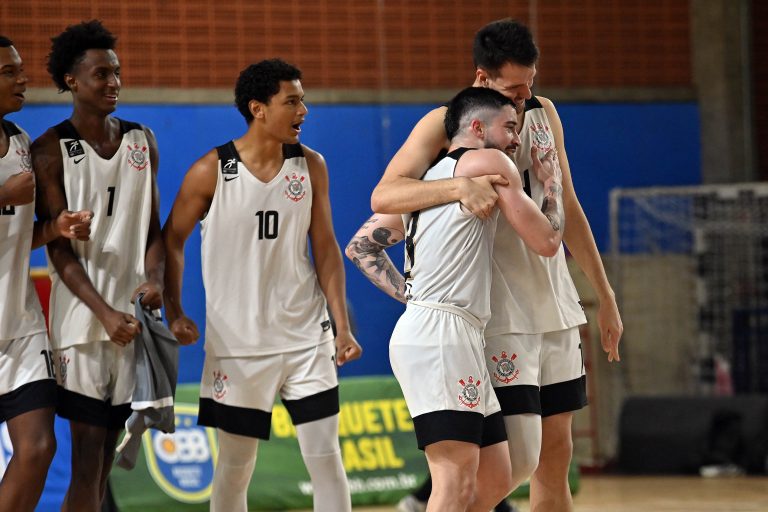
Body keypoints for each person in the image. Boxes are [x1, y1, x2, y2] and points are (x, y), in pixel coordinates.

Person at [368, 19, 623, 512]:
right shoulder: (446, 123)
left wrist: (605, 294)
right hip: (498, 314)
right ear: (482, 78)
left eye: (531, 84)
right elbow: (386, 194)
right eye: (513, 90)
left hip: (553, 304)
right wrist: (458, 187)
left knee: (556, 457)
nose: (525, 99)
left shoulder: (544, 113)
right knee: (514, 463)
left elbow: (568, 206)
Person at [347, 86, 565, 512]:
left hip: (449, 331)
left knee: (497, 474)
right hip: (441, 333)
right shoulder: (489, 162)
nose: (516, 139)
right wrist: (551, 182)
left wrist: (413, 299)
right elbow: (547, 241)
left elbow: (360, 247)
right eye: (510, 127)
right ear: (477, 128)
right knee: (453, 480)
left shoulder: (427, 184)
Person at [162, 58, 361, 512]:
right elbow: (170, 241)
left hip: (306, 338)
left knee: (326, 460)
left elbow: (325, 248)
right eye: (292, 101)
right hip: (239, 346)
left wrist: (342, 326)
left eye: (303, 100)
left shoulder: (311, 165)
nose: (303, 110)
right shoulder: (211, 170)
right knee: (235, 468)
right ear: (258, 108)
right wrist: (174, 310)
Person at [31, 21, 165, 512]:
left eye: (117, 72)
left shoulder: (142, 140)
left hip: (130, 323)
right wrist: (104, 314)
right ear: (72, 80)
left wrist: (156, 280)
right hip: (83, 328)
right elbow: (58, 249)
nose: (114, 82)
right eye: (101, 74)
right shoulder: (50, 149)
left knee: (105, 462)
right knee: (88, 462)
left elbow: (153, 229)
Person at [0, 35, 92, 512]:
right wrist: (2, 196)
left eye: (20, 69)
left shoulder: (19, 141)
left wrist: (55, 227)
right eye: (8, 72)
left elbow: (15, 233)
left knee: (38, 448)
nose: (23, 79)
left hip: (19, 326)